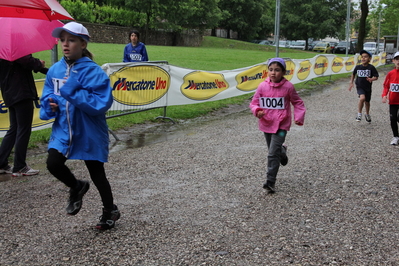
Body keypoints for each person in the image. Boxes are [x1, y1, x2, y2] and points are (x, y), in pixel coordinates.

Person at [40, 22, 120, 230]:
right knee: (53, 163)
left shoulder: (93, 72)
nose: (65, 44)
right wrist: (49, 105)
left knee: (96, 172)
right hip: (63, 129)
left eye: (71, 40)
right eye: (62, 40)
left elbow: (101, 103)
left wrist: (73, 91)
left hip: (88, 130)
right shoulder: (55, 70)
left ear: (83, 44)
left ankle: (109, 210)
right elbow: (48, 93)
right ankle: (77, 187)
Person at [249, 58, 306, 193]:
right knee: (273, 150)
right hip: (266, 124)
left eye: (277, 70)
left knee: (272, 153)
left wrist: (298, 117)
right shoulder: (262, 86)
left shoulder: (288, 87)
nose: (273, 73)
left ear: (283, 72)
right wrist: (257, 111)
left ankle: (270, 182)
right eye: (271, 70)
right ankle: (282, 151)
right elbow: (254, 103)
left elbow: (298, 103)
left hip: (282, 126)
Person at [0, 55, 47, 177]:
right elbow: (25, 60)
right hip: (21, 92)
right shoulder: (15, 49)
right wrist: (38, 63)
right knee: (23, 129)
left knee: (14, 129)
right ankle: (20, 166)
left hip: (9, 92)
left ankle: (1, 163)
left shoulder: (3, 50)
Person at [348, 50, 379, 122]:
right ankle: (359, 114)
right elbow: (353, 74)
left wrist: (371, 79)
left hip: (367, 87)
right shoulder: (358, 67)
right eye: (362, 57)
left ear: (369, 58)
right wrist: (351, 82)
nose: (363, 58)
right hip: (359, 86)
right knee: (362, 98)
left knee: (367, 102)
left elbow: (376, 77)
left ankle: (367, 114)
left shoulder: (371, 67)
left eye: (365, 57)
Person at [382, 51, 399, 145]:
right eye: (397, 59)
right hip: (393, 101)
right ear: (393, 61)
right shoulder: (391, 73)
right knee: (393, 119)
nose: (398, 61)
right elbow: (386, 85)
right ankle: (395, 136)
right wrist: (384, 95)